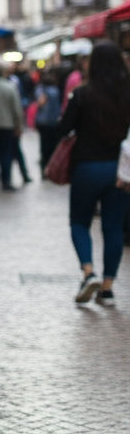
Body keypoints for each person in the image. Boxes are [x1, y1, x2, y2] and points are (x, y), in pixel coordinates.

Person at [57, 40, 130, 304]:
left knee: (79, 222)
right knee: (113, 229)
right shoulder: (127, 93)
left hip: (87, 167)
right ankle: (108, 288)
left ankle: (88, 272)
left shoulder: (82, 93)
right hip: (120, 171)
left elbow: (64, 128)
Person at [0, 61, 25, 191]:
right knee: (6, 154)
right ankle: (6, 180)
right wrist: (19, 126)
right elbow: (16, 109)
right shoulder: (10, 86)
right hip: (7, 125)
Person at [34, 69, 63, 172]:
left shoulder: (40, 90)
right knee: (52, 145)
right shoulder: (56, 90)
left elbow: (40, 103)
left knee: (44, 146)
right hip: (53, 121)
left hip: (43, 122)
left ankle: (44, 167)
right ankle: (51, 167)